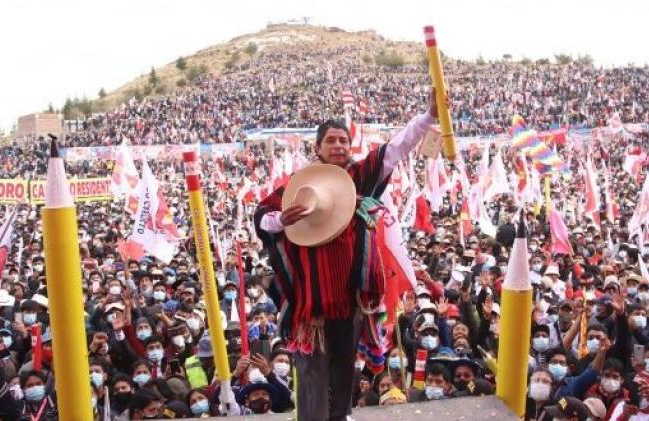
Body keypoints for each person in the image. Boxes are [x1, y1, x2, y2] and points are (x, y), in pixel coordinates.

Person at [255, 91, 442, 421]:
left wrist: (427, 117)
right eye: (331, 140)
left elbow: (396, 148)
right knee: (312, 376)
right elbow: (262, 218)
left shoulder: (358, 178)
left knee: (344, 372)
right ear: (318, 147)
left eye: (343, 140)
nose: (339, 145)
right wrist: (282, 220)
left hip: (351, 301)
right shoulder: (298, 186)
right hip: (309, 305)